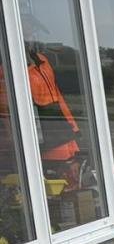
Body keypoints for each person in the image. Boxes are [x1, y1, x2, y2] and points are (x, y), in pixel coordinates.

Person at [25, 45, 84, 189]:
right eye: (29, 28)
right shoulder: (13, 64)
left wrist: (73, 126)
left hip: (57, 122)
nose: (32, 34)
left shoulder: (42, 61)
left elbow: (58, 97)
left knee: (72, 165)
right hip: (39, 125)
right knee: (55, 170)